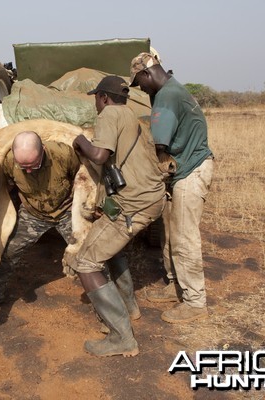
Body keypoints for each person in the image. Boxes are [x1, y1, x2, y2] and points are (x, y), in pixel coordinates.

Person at [72, 76, 166, 357]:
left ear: (103, 97)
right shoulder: (131, 116)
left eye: (96, 98)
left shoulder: (110, 114)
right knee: (111, 251)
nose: (96, 103)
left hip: (133, 204)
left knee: (86, 263)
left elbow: (100, 155)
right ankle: (128, 306)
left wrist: (80, 141)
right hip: (150, 198)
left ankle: (121, 336)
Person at [129, 52, 214, 323]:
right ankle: (175, 284)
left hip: (190, 171)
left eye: (139, 83)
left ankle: (195, 302)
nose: (139, 89)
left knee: (185, 237)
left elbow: (159, 146)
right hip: (181, 170)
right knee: (169, 232)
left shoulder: (166, 96)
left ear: (147, 74)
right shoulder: (171, 90)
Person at [0, 131, 82, 304]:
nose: (29, 170)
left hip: (67, 211)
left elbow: (80, 179)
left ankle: (106, 305)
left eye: (34, 164)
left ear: (44, 150)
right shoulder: (9, 162)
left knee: (88, 257)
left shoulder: (63, 154)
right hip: (33, 214)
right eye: (24, 167)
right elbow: (8, 189)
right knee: (7, 254)